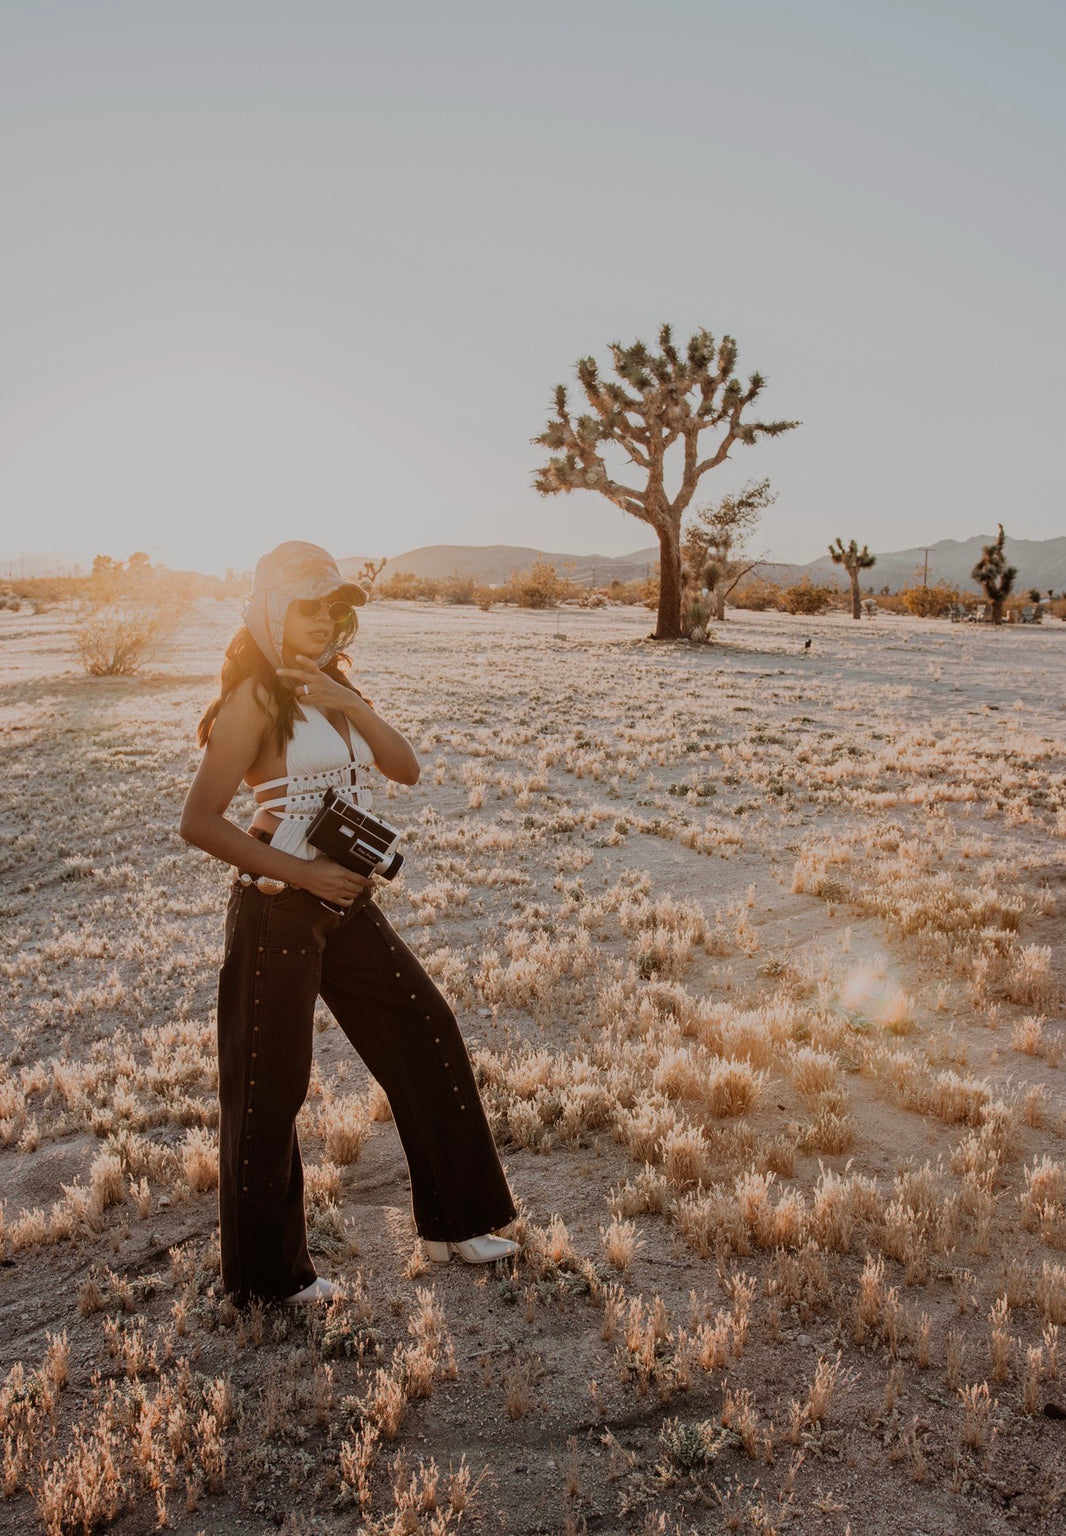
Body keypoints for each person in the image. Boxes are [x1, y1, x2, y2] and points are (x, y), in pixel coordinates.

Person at [180, 541, 518, 1305]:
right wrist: (300, 873)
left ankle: (455, 1224)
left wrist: (350, 704)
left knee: (427, 1029)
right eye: (308, 607)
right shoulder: (253, 701)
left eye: (335, 608)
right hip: (278, 908)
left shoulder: (332, 689)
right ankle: (269, 1281)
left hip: (347, 904)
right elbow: (199, 822)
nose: (326, 621)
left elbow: (406, 769)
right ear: (269, 612)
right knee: (271, 1090)